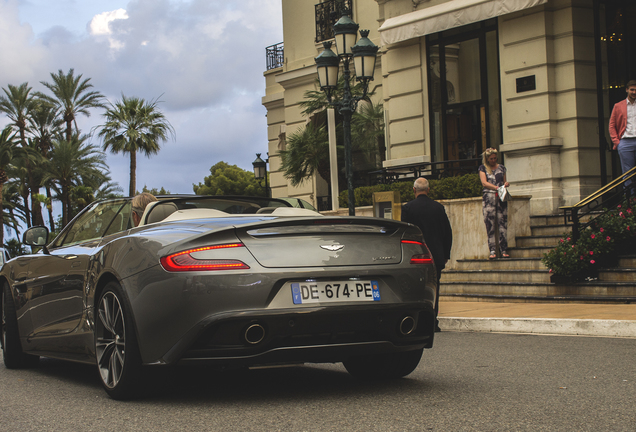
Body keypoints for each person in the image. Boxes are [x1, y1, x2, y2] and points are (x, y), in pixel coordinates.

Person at [401, 177, 453, 332]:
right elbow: (447, 232)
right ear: (428, 190)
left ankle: (417, 321)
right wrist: (445, 254)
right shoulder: (438, 208)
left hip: (416, 255)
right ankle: (432, 321)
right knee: (434, 288)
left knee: (414, 288)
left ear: (414, 190)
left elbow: (406, 233)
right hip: (435, 255)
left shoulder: (408, 208)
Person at [479, 148, 509, 259]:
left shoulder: (501, 168)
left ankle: (504, 249)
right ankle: (492, 250)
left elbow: (504, 181)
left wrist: (505, 184)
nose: (493, 160)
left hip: (501, 197)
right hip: (489, 197)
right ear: (487, 159)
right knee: (490, 224)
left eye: (495, 158)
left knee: (503, 223)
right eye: (491, 158)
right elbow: (484, 183)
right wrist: (496, 187)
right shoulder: (483, 168)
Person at [609, 79, 636, 190]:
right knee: (628, 173)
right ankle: (629, 202)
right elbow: (612, 125)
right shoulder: (618, 106)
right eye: (632, 90)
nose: (634, 92)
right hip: (625, 141)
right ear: (627, 90)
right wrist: (617, 142)